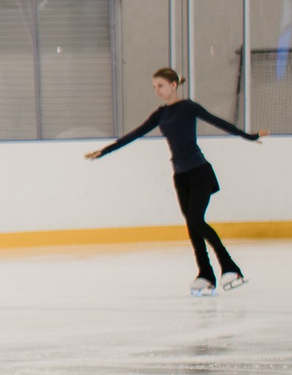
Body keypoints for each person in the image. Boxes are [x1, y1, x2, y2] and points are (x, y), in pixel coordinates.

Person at [86, 66, 261, 294]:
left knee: (196, 220)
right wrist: (105, 150)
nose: (157, 90)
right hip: (180, 177)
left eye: (160, 85)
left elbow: (219, 122)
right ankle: (205, 274)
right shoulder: (160, 114)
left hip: (200, 173)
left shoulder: (189, 107)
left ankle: (230, 267)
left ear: (173, 85)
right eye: (154, 87)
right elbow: (134, 134)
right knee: (192, 224)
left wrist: (249, 136)